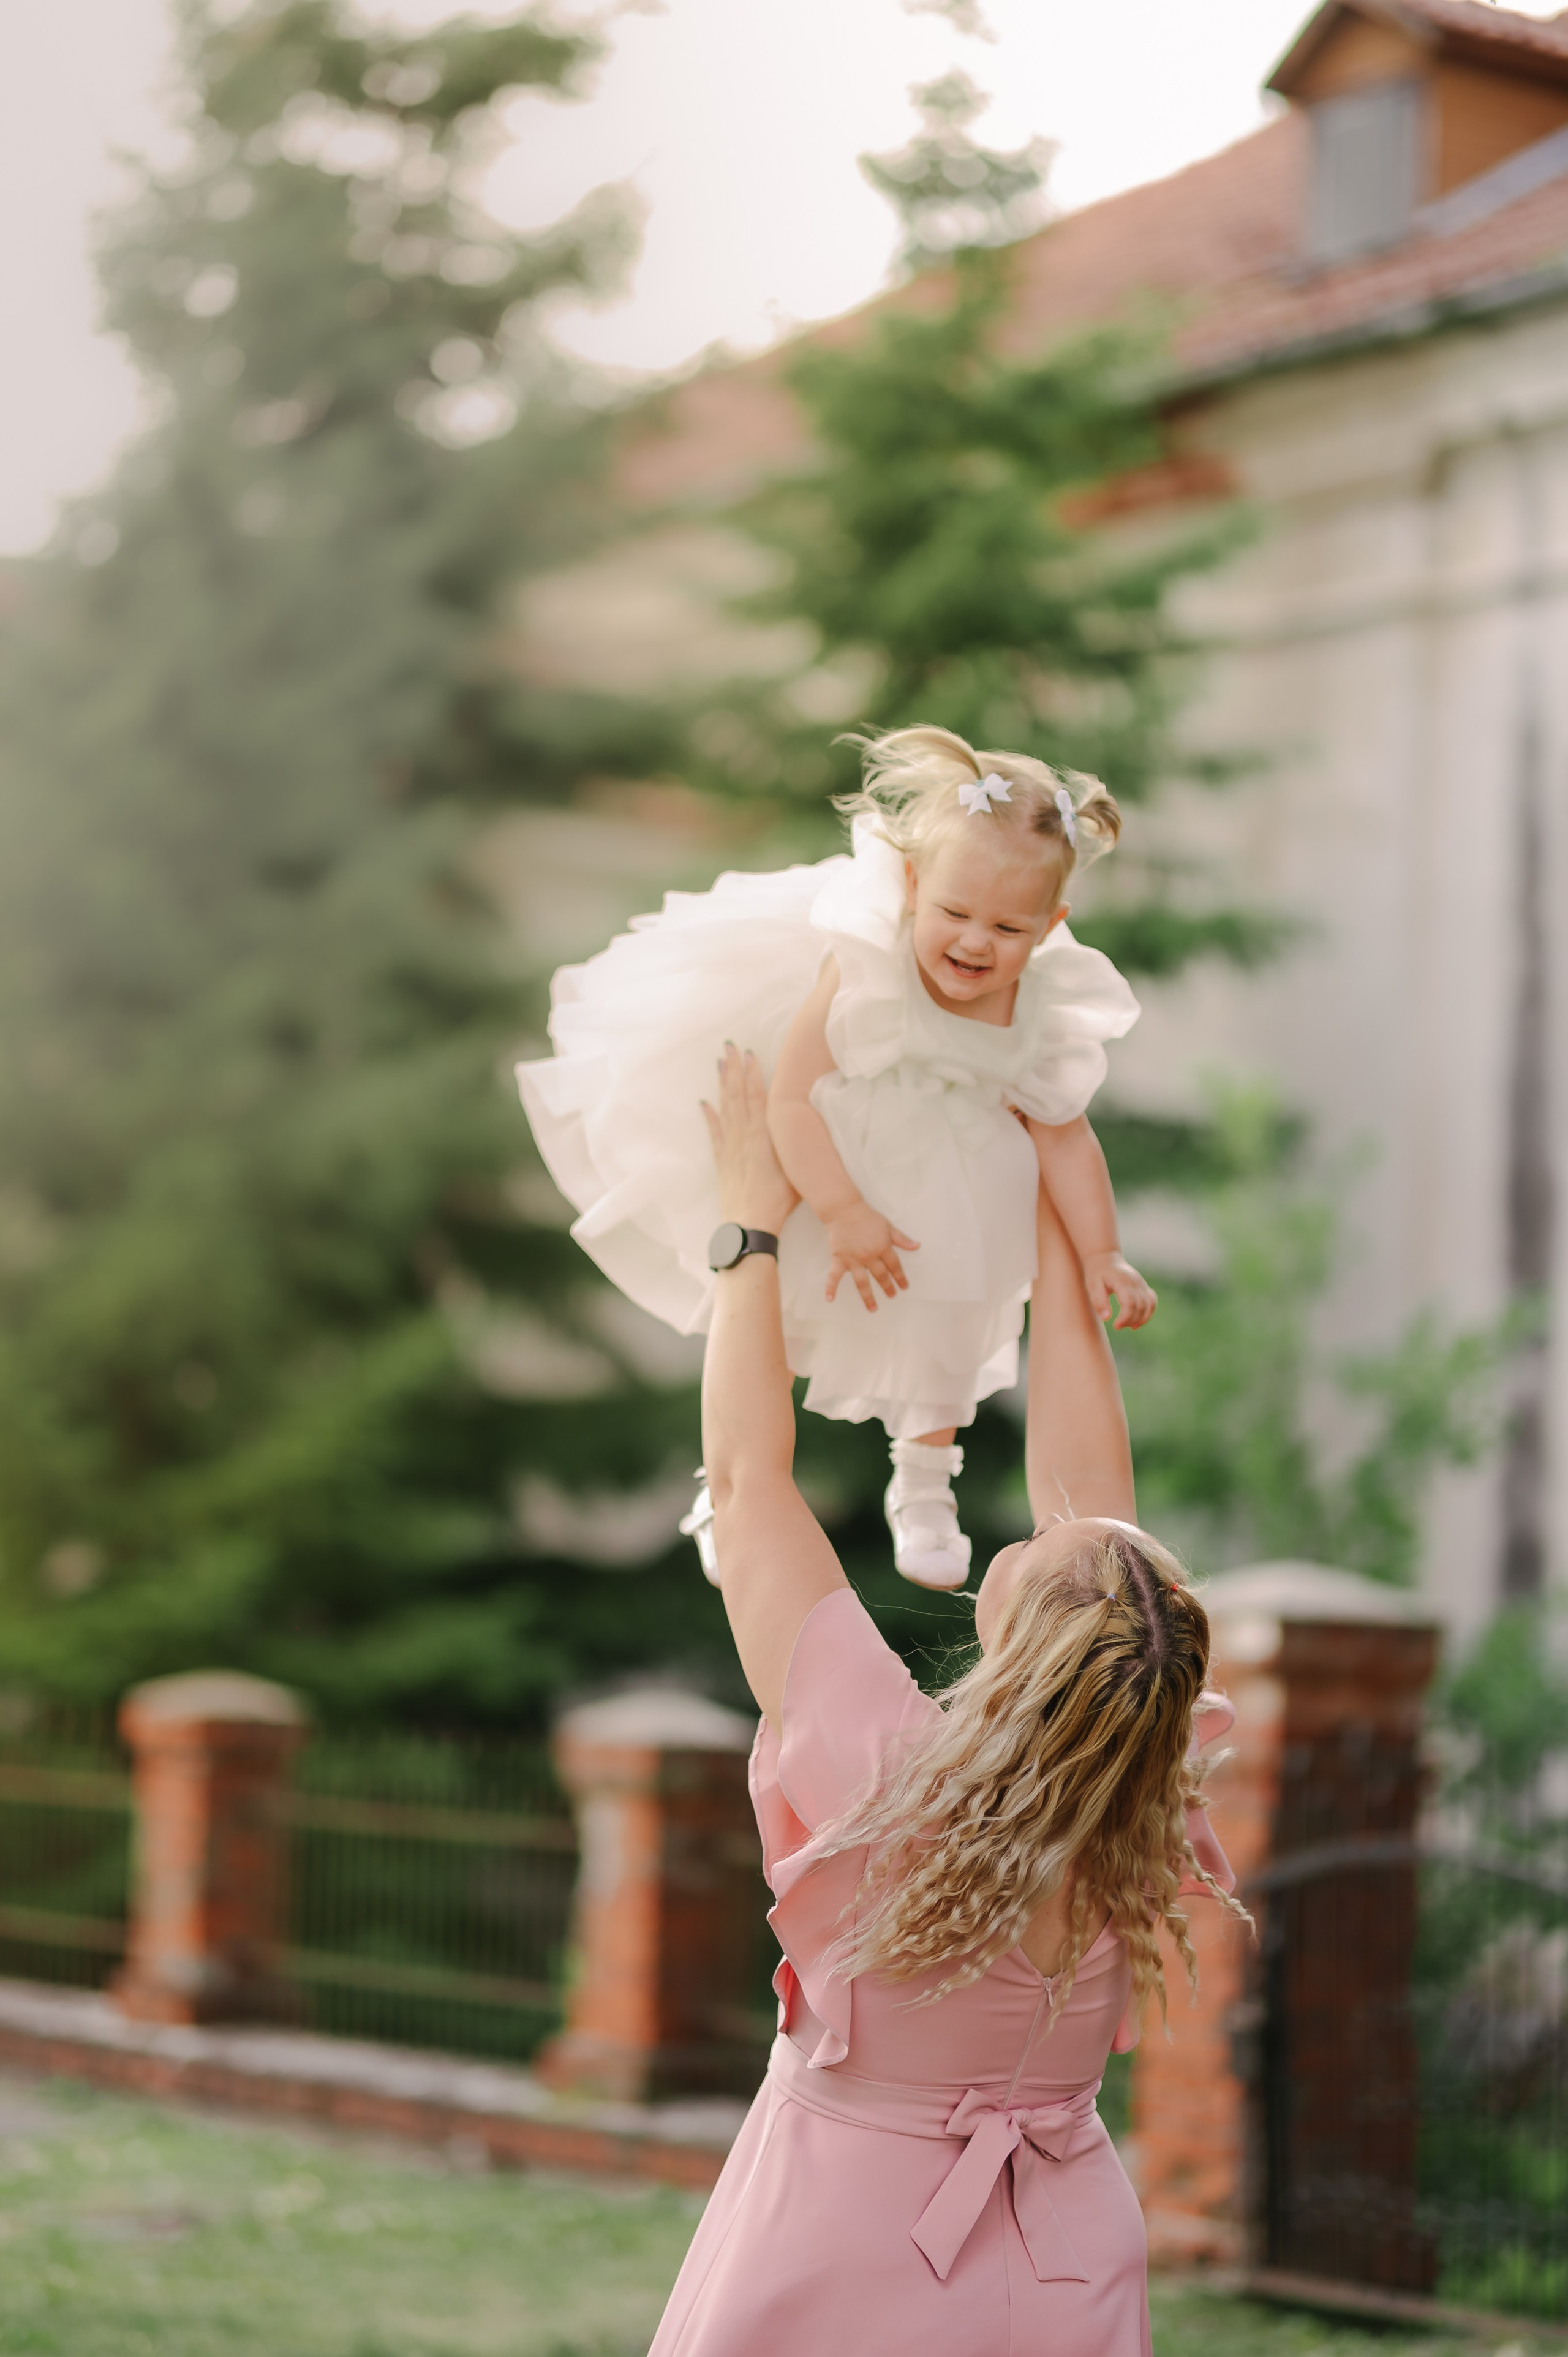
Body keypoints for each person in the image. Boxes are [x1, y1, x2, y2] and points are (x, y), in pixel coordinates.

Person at [646, 1046, 1245, 2357]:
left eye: (1036, 1550)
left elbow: (747, 1485)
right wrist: (1049, 1214)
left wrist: (749, 1219)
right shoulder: (1139, 1786)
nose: (1030, 1532)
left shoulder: (886, 1769)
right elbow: (1092, 1505)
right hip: (1065, 2256)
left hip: (846, 2240)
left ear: (1029, 1648)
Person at [518, 725, 1154, 1592]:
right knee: (765, 1318)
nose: (975, 944)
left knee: (953, 1327)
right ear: (913, 888)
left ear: (1052, 925)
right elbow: (790, 1095)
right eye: (954, 914)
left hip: (949, 1174)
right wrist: (844, 1210)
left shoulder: (1042, 1006)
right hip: (830, 1153)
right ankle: (723, 1484)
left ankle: (925, 1483)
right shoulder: (864, 964)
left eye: (1008, 927)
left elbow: (1066, 1133)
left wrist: (1103, 1251)